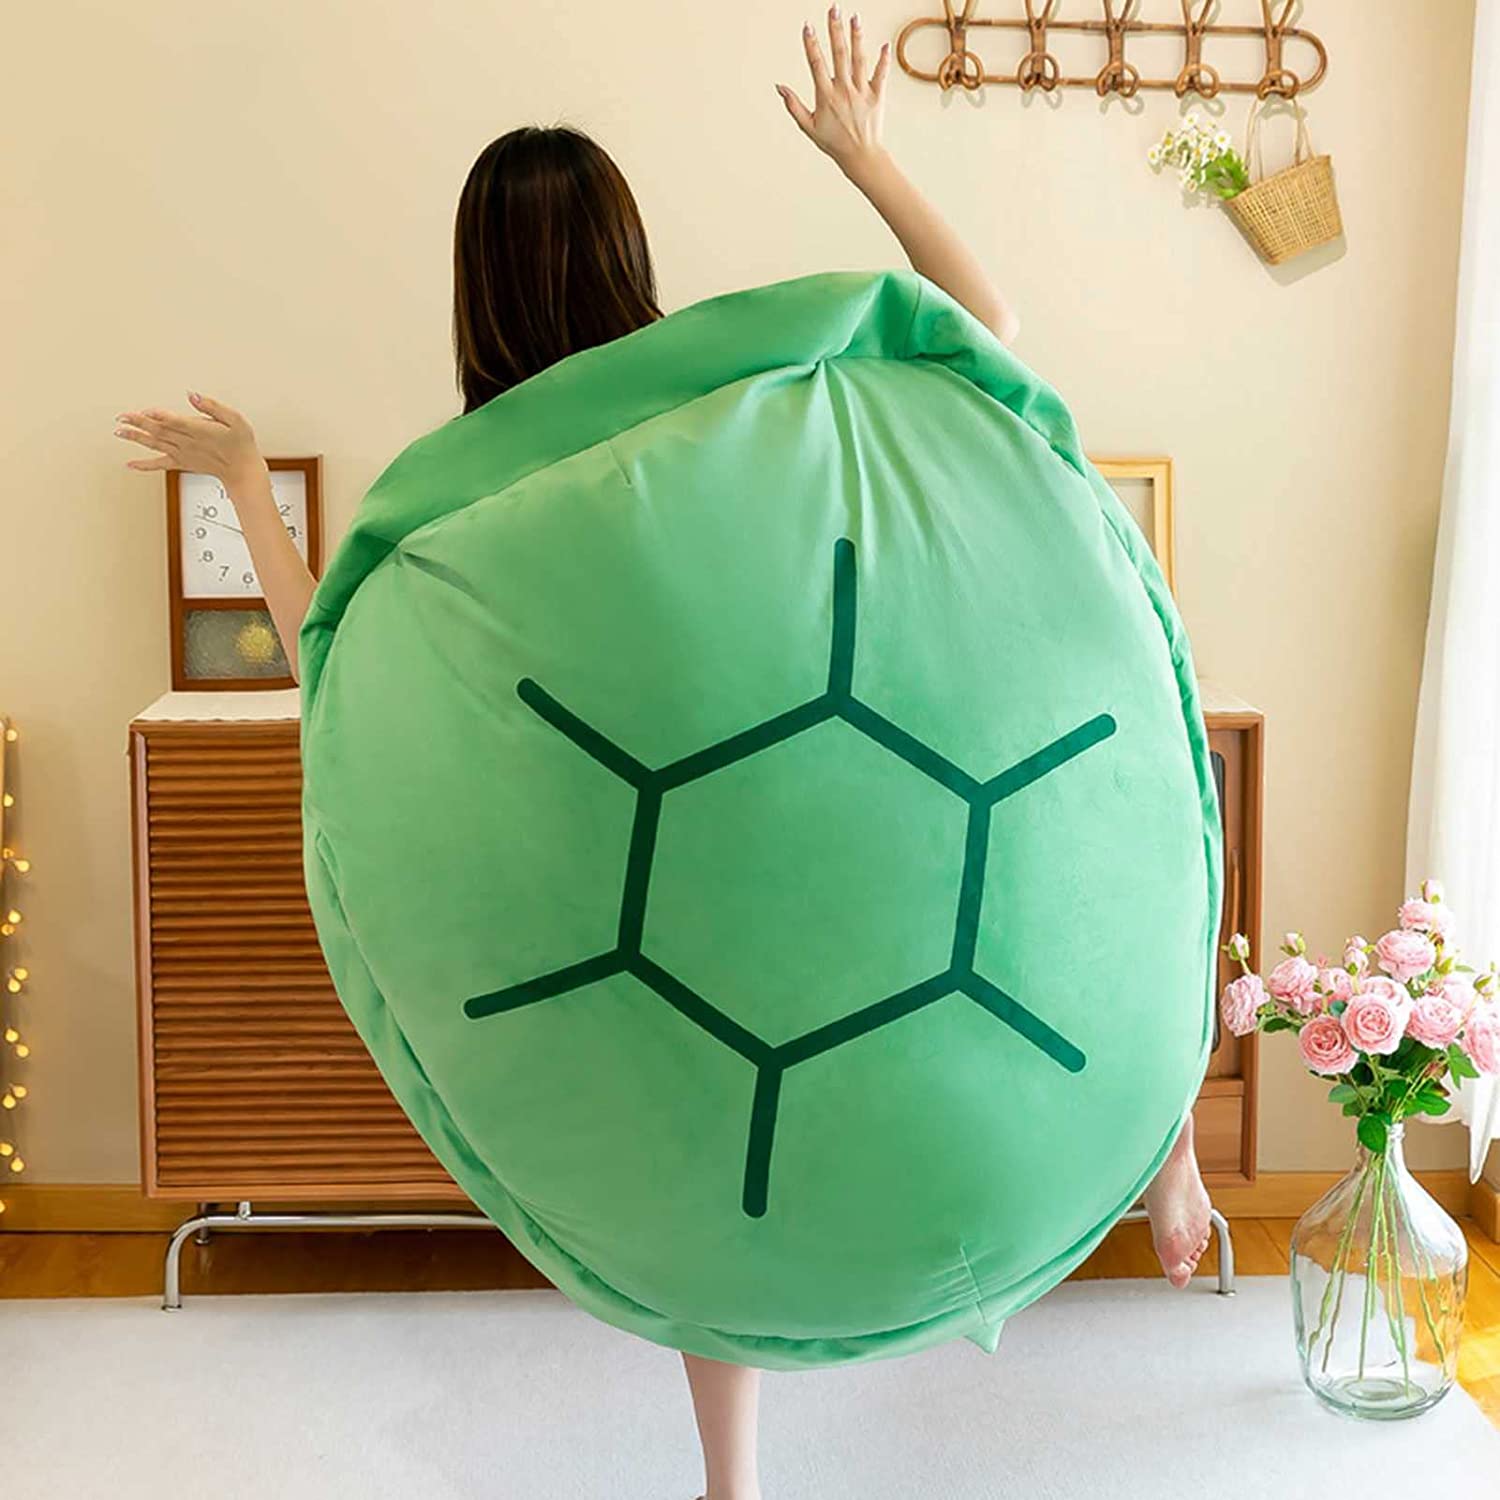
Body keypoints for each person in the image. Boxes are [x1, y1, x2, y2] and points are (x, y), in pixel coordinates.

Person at [115, 13, 1212, 1499]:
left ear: (473, 288)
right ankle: (1158, 1143)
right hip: (833, 821)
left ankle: (731, 1479)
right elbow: (985, 340)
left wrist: (249, 480)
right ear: (626, 255)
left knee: (701, 1169)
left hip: (702, 876)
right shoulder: (747, 409)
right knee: (1097, 836)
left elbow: (335, 669)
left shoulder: (471, 520)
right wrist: (869, 161)